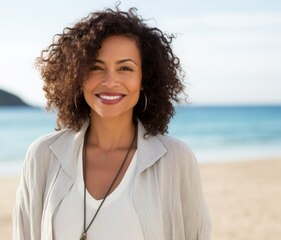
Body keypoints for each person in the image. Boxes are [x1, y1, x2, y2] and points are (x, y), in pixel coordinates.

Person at [13, 6, 211, 240]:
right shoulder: (42, 156)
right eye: (96, 67)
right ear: (78, 76)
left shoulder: (175, 159)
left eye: (125, 68)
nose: (110, 81)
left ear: (144, 79)